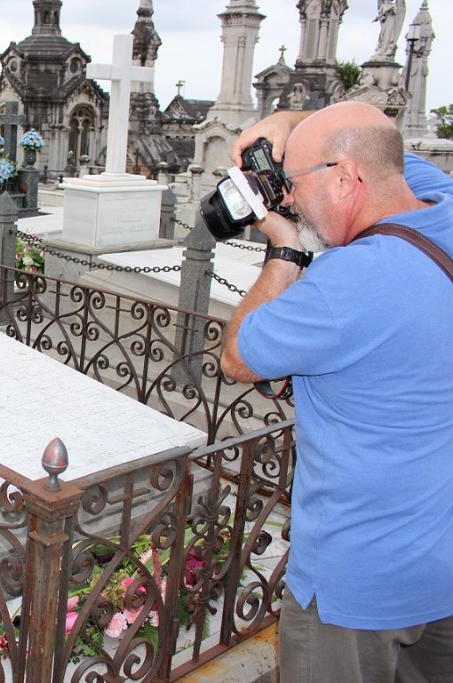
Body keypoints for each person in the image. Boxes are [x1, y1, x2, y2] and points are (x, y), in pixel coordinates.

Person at [222, 101, 453, 681]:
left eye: (295, 185)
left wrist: (285, 248)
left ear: (347, 179)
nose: (290, 199)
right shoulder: (443, 212)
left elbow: (238, 356)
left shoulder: (352, 283)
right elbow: (387, 150)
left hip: (356, 586)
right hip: (440, 563)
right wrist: (291, 125)